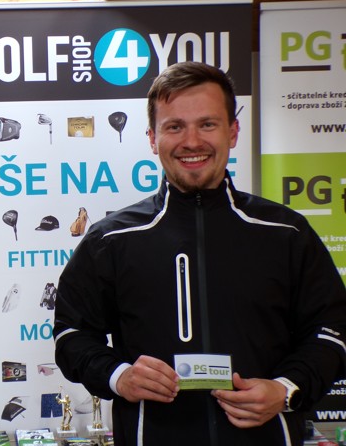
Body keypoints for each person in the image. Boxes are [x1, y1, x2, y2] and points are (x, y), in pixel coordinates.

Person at [53, 62, 346, 446]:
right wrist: (118, 376)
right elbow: (72, 334)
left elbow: (332, 329)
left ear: (233, 131)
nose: (191, 141)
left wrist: (285, 388)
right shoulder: (111, 239)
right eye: (174, 126)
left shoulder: (286, 233)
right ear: (153, 138)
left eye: (207, 124)